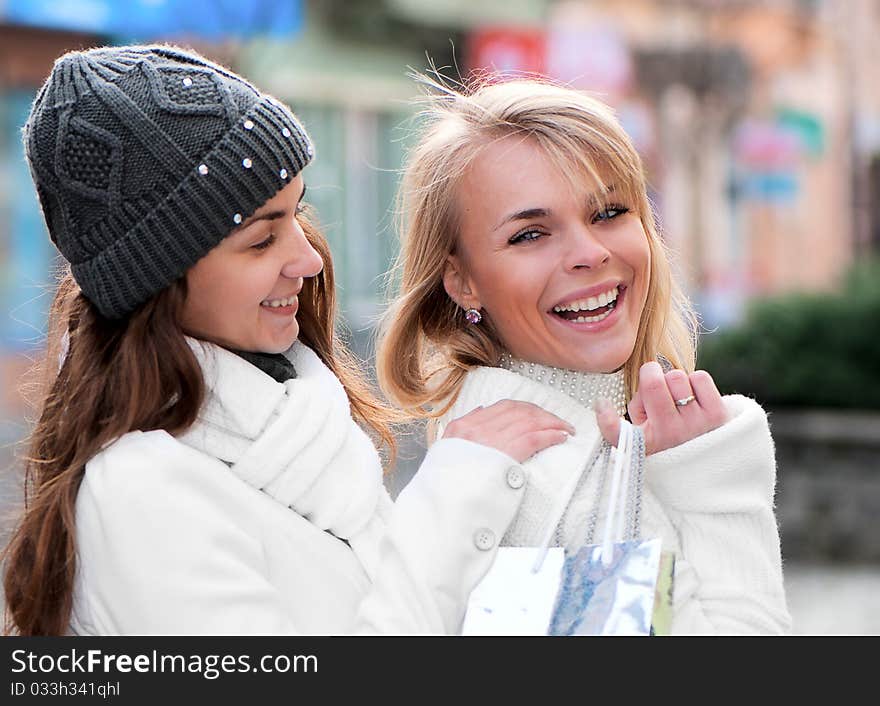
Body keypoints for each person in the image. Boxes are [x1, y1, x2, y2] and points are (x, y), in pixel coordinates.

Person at [1, 46, 575, 636]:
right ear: (159, 279)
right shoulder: (141, 495)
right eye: (259, 240)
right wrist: (451, 502)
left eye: (297, 214)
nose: (305, 257)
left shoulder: (302, 431)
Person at [376, 75, 792, 635]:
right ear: (461, 281)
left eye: (609, 212)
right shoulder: (557, 474)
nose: (591, 254)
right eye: (530, 234)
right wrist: (715, 488)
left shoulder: (519, 450)